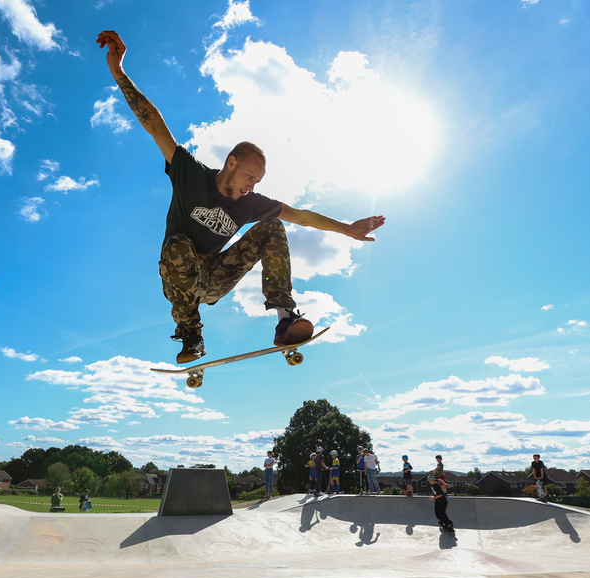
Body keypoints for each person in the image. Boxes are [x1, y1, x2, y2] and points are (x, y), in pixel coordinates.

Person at [96, 30, 386, 364]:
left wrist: (346, 228)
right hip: (178, 277)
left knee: (273, 227)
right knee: (178, 246)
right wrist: (119, 72)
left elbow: (301, 216)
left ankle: (284, 319)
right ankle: (191, 333)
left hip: (216, 277)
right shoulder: (190, 174)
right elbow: (154, 124)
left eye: (256, 181)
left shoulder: (249, 204)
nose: (250, 186)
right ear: (230, 163)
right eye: (249, 176)